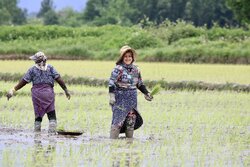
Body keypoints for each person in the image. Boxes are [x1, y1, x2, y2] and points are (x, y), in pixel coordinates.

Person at [6, 51, 70, 133]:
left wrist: (13, 90)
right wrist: (65, 90)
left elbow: (24, 81)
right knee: (51, 115)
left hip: (37, 95)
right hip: (48, 94)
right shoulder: (50, 68)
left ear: (36, 61)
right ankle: (51, 134)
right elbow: (59, 79)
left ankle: (37, 134)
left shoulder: (32, 70)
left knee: (38, 115)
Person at [108, 45, 153, 139]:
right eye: (125, 56)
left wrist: (146, 93)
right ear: (122, 57)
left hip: (132, 99)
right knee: (117, 121)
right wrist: (112, 96)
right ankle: (113, 143)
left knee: (130, 121)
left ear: (132, 57)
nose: (128, 58)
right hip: (120, 98)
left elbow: (139, 84)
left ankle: (129, 142)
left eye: (130, 56)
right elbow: (111, 83)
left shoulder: (136, 69)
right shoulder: (118, 69)